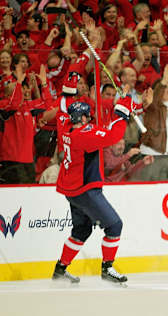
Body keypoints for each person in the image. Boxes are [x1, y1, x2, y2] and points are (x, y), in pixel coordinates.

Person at [52, 89, 135, 284]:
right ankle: (107, 268)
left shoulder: (65, 125)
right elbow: (113, 136)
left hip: (72, 189)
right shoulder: (84, 134)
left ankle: (60, 269)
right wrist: (123, 112)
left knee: (81, 231)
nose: (90, 119)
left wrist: (125, 103)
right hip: (85, 189)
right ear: (81, 117)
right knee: (114, 225)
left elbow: (64, 104)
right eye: (88, 116)